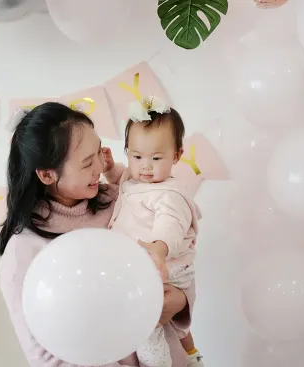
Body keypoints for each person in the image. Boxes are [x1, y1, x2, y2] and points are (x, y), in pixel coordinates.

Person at [0, 102, 196, 367]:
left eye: (99, 153)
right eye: (87, 163)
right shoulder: (24, 253)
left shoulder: (121, 200)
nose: (101, 167)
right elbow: (47, 357)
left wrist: (180, 301)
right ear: (46, 174)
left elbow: (179, 257)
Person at [103, 96, 203, 367]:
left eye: (156, 158)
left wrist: (158, 248)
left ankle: (158, 364)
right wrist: (111, 169)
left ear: (176, 155)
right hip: (153, 265)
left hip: (165, 263)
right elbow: (121, 180)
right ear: (127, 151)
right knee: (174, 325)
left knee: (146, 327)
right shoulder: (133, 177)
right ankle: (193, 356)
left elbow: (169, 225)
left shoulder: (169, 194)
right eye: (136, 156)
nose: (145, 166)